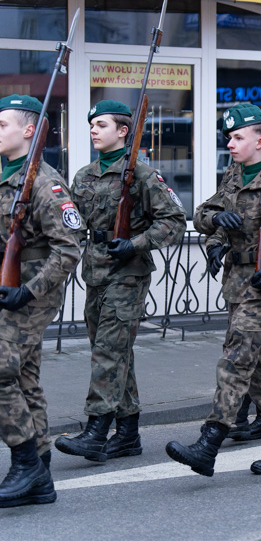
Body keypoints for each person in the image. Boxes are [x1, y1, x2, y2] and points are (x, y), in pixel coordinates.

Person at [166, 103, 261, 476]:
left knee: (235, 360)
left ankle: (209, 442)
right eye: (229, 138)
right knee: (260, 369)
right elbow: (203, 214)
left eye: (237, 137)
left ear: (260, 141)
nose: (230, 143)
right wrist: (217, 226)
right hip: (237, 281)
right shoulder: (235, 174)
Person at [57, 100, 186, 463]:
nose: (94, 130)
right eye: (92, 125)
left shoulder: (144, 175)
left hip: (127, 274)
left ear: (123, 131)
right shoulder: (83, 175)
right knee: (115, 352)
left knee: (108, 353)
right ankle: (128, 434)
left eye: (101, 124)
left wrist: (136, 243)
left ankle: (97, 430)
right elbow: (69, 224)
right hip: (94, 271)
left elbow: (174, 220)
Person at [0, 95, 81, 506]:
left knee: (0, 367)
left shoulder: (46, 183)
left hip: (33, 291)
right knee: (23, 378)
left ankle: (25, 461)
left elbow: (68, 248)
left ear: (29, 131)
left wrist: (28, 290)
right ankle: (41, 476)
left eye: (2, 124)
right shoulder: (2, 176)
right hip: (6, 286)